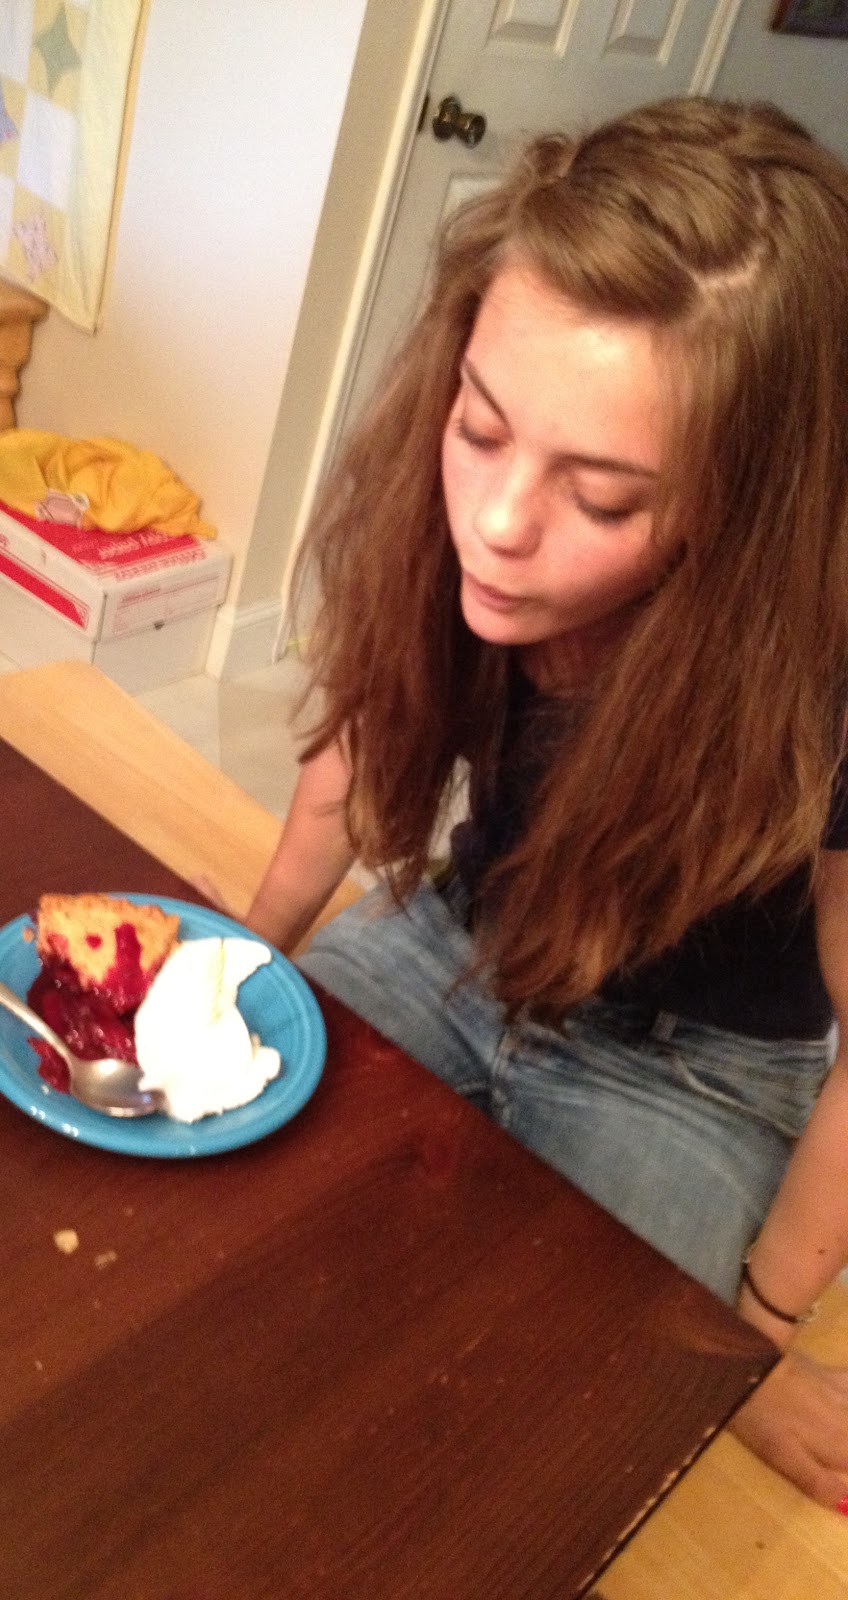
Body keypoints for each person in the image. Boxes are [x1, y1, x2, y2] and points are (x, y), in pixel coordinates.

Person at [245, 96, 848, 1508]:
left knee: (522, 1438)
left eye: (607, 499)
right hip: (459, 944)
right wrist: (231, 966)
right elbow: (351, 759)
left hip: (690, 1074)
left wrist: (752, 1335)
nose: (499, 524)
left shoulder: (821, 670)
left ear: (743, 512)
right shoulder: (446, 510)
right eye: (482, 426)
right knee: (223, 1215)